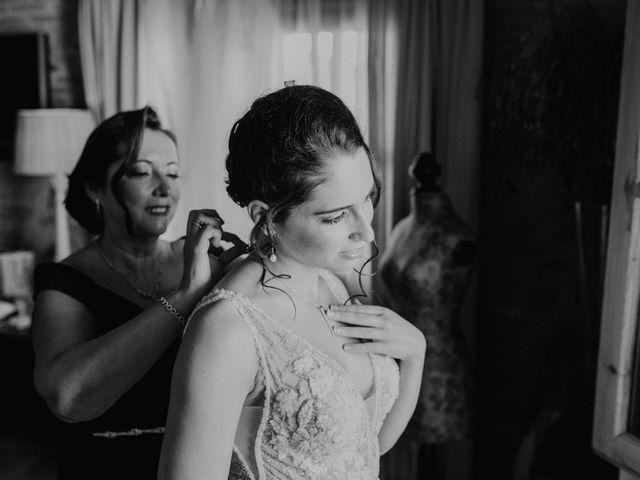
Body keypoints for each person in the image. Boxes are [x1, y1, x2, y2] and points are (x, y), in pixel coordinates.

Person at [158, 85, 427, 480]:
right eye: (336, 217)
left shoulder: (330, 280)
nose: (366, 232)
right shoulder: (228, 329)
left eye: (367, 197)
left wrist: (416, 355)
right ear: (266, 216)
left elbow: (367, 446)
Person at [31, 106, 243, 479]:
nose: (164, 187)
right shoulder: (65, 281)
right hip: (107, 469)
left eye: (173, 173)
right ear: (95, 188)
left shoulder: (209, 258)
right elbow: (68, 398)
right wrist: (186, 295)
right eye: (141, 172)